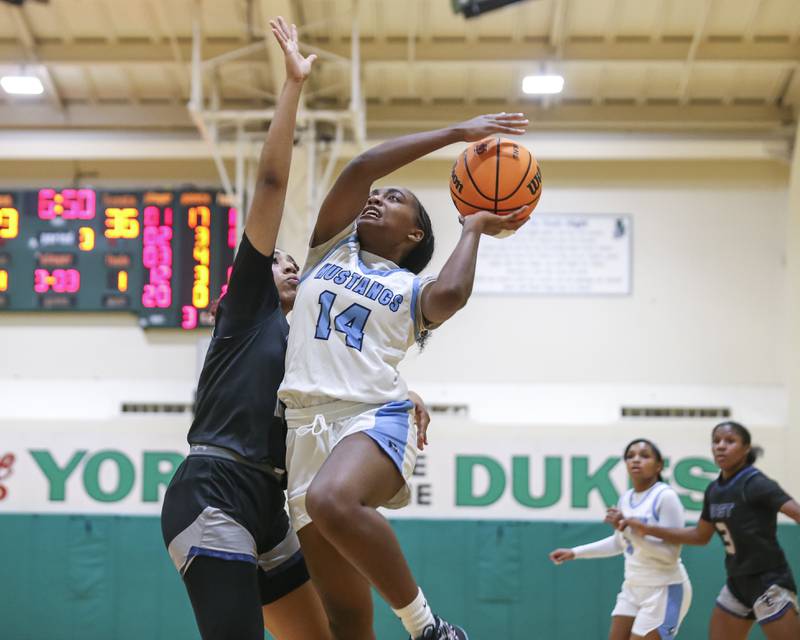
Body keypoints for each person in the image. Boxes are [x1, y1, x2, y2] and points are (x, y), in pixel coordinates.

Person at [277, 112, 530, 640]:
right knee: (345, 618)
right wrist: (456, 133)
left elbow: (453, 296)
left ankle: (429, 628)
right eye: (379, 195)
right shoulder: (329, 249)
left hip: (370, 415)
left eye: (394, 199)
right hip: (303, 430)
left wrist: (475, 227)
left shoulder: (412, 291)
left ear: (414, 233)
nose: (377, 197)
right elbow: (363, 167)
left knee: (332, 500)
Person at [159, 18, 327, 640]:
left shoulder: (304, 348)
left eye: (293, 262)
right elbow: (272, 184)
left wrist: (406, 397)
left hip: (269, 503)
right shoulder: (248, 308)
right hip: (213, 488)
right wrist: (293, 86)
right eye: (279, 259)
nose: (288, 265)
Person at [621, 421, 800, 640]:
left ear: (746, 449)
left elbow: (796, 513)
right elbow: (699, 536)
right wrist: (647, 529)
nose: (721, 446)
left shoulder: (755, 483)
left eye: (729, 441)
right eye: (716, 441)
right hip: (737, 582)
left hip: (768, 580)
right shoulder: (714, 490)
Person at [550, 439, 693, 640]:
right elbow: (620, 543)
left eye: (644, 456)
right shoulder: (626, 498)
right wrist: (575, 552)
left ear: (659, 465)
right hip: (633, 587)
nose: (636, 460)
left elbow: (670, 555)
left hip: (664, 589)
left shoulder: (665, 497)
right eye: (630, 456)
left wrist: (628, 531)